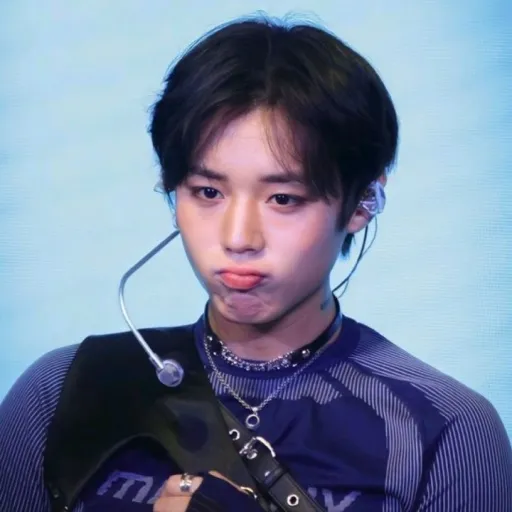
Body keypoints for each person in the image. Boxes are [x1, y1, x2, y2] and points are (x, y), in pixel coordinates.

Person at [1, 15, 511, 512]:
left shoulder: (444, 432)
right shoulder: (63, 390)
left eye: (283, 199)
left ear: (362, 203)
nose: (238, 239)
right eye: (208, 192)